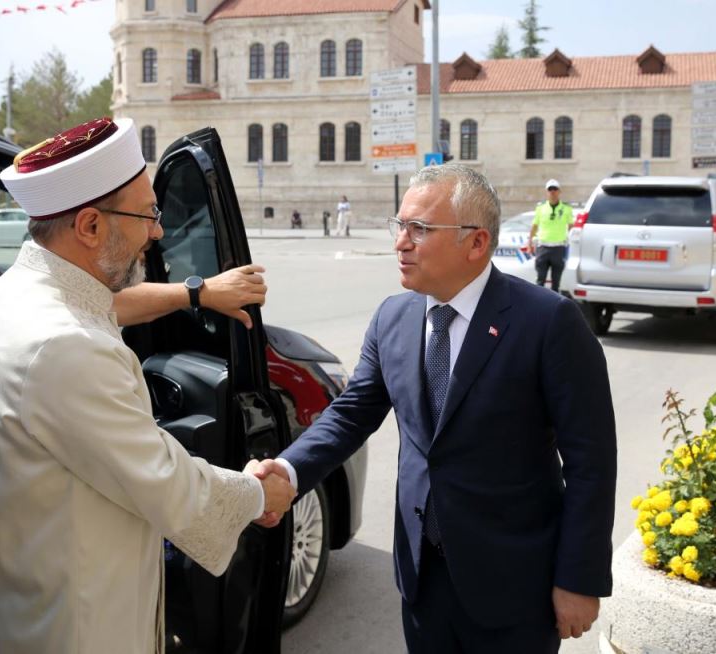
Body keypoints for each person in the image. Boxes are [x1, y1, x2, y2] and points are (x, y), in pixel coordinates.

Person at [0, 118, 295, 653]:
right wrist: (258, 492)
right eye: (147, 214)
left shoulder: (17, 293)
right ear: (89, 226)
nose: (158, 232)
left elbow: (102, 306)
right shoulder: (65, 346)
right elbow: (171, 487)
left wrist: (197, 292)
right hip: (74, 628)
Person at [256, 163, 617, 652]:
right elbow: (351, 413)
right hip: (422, 577)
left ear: (476, 243)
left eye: (420, 229)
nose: (401, 242)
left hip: (515, 585)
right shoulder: (392, 317)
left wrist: (579, 577)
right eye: (400, 225)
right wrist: (289, 471)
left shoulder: (549, 323)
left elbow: (591, 463)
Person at [528, 179, 575, 293]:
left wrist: (570, 242)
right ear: (546, 192)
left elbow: (571, 227)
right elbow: (534, 226)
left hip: (558, 248)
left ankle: (554, 307)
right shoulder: (540, 208)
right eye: (550, 189)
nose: (552, 192)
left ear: (559, 191)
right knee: (540, 280)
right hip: (543, 247)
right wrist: (530, 243)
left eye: (555, 189)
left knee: (556, 282)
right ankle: (539, 304)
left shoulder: (567, 209)